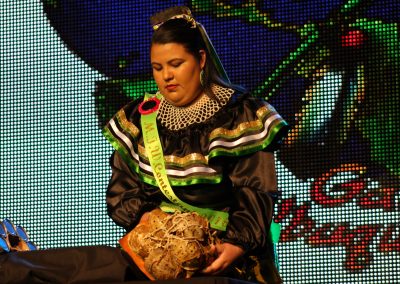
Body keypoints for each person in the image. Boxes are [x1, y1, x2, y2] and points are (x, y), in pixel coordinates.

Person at [103, 6, 289, 284]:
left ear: (201, 59)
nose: (166, 76)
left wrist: (235, 245)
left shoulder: (240, 115)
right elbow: (123, 189)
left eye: (176, 64)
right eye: (158, 67)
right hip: (158, 257)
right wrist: (149, 224)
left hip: (225, 257)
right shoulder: (139, 119)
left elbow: (255, 190)